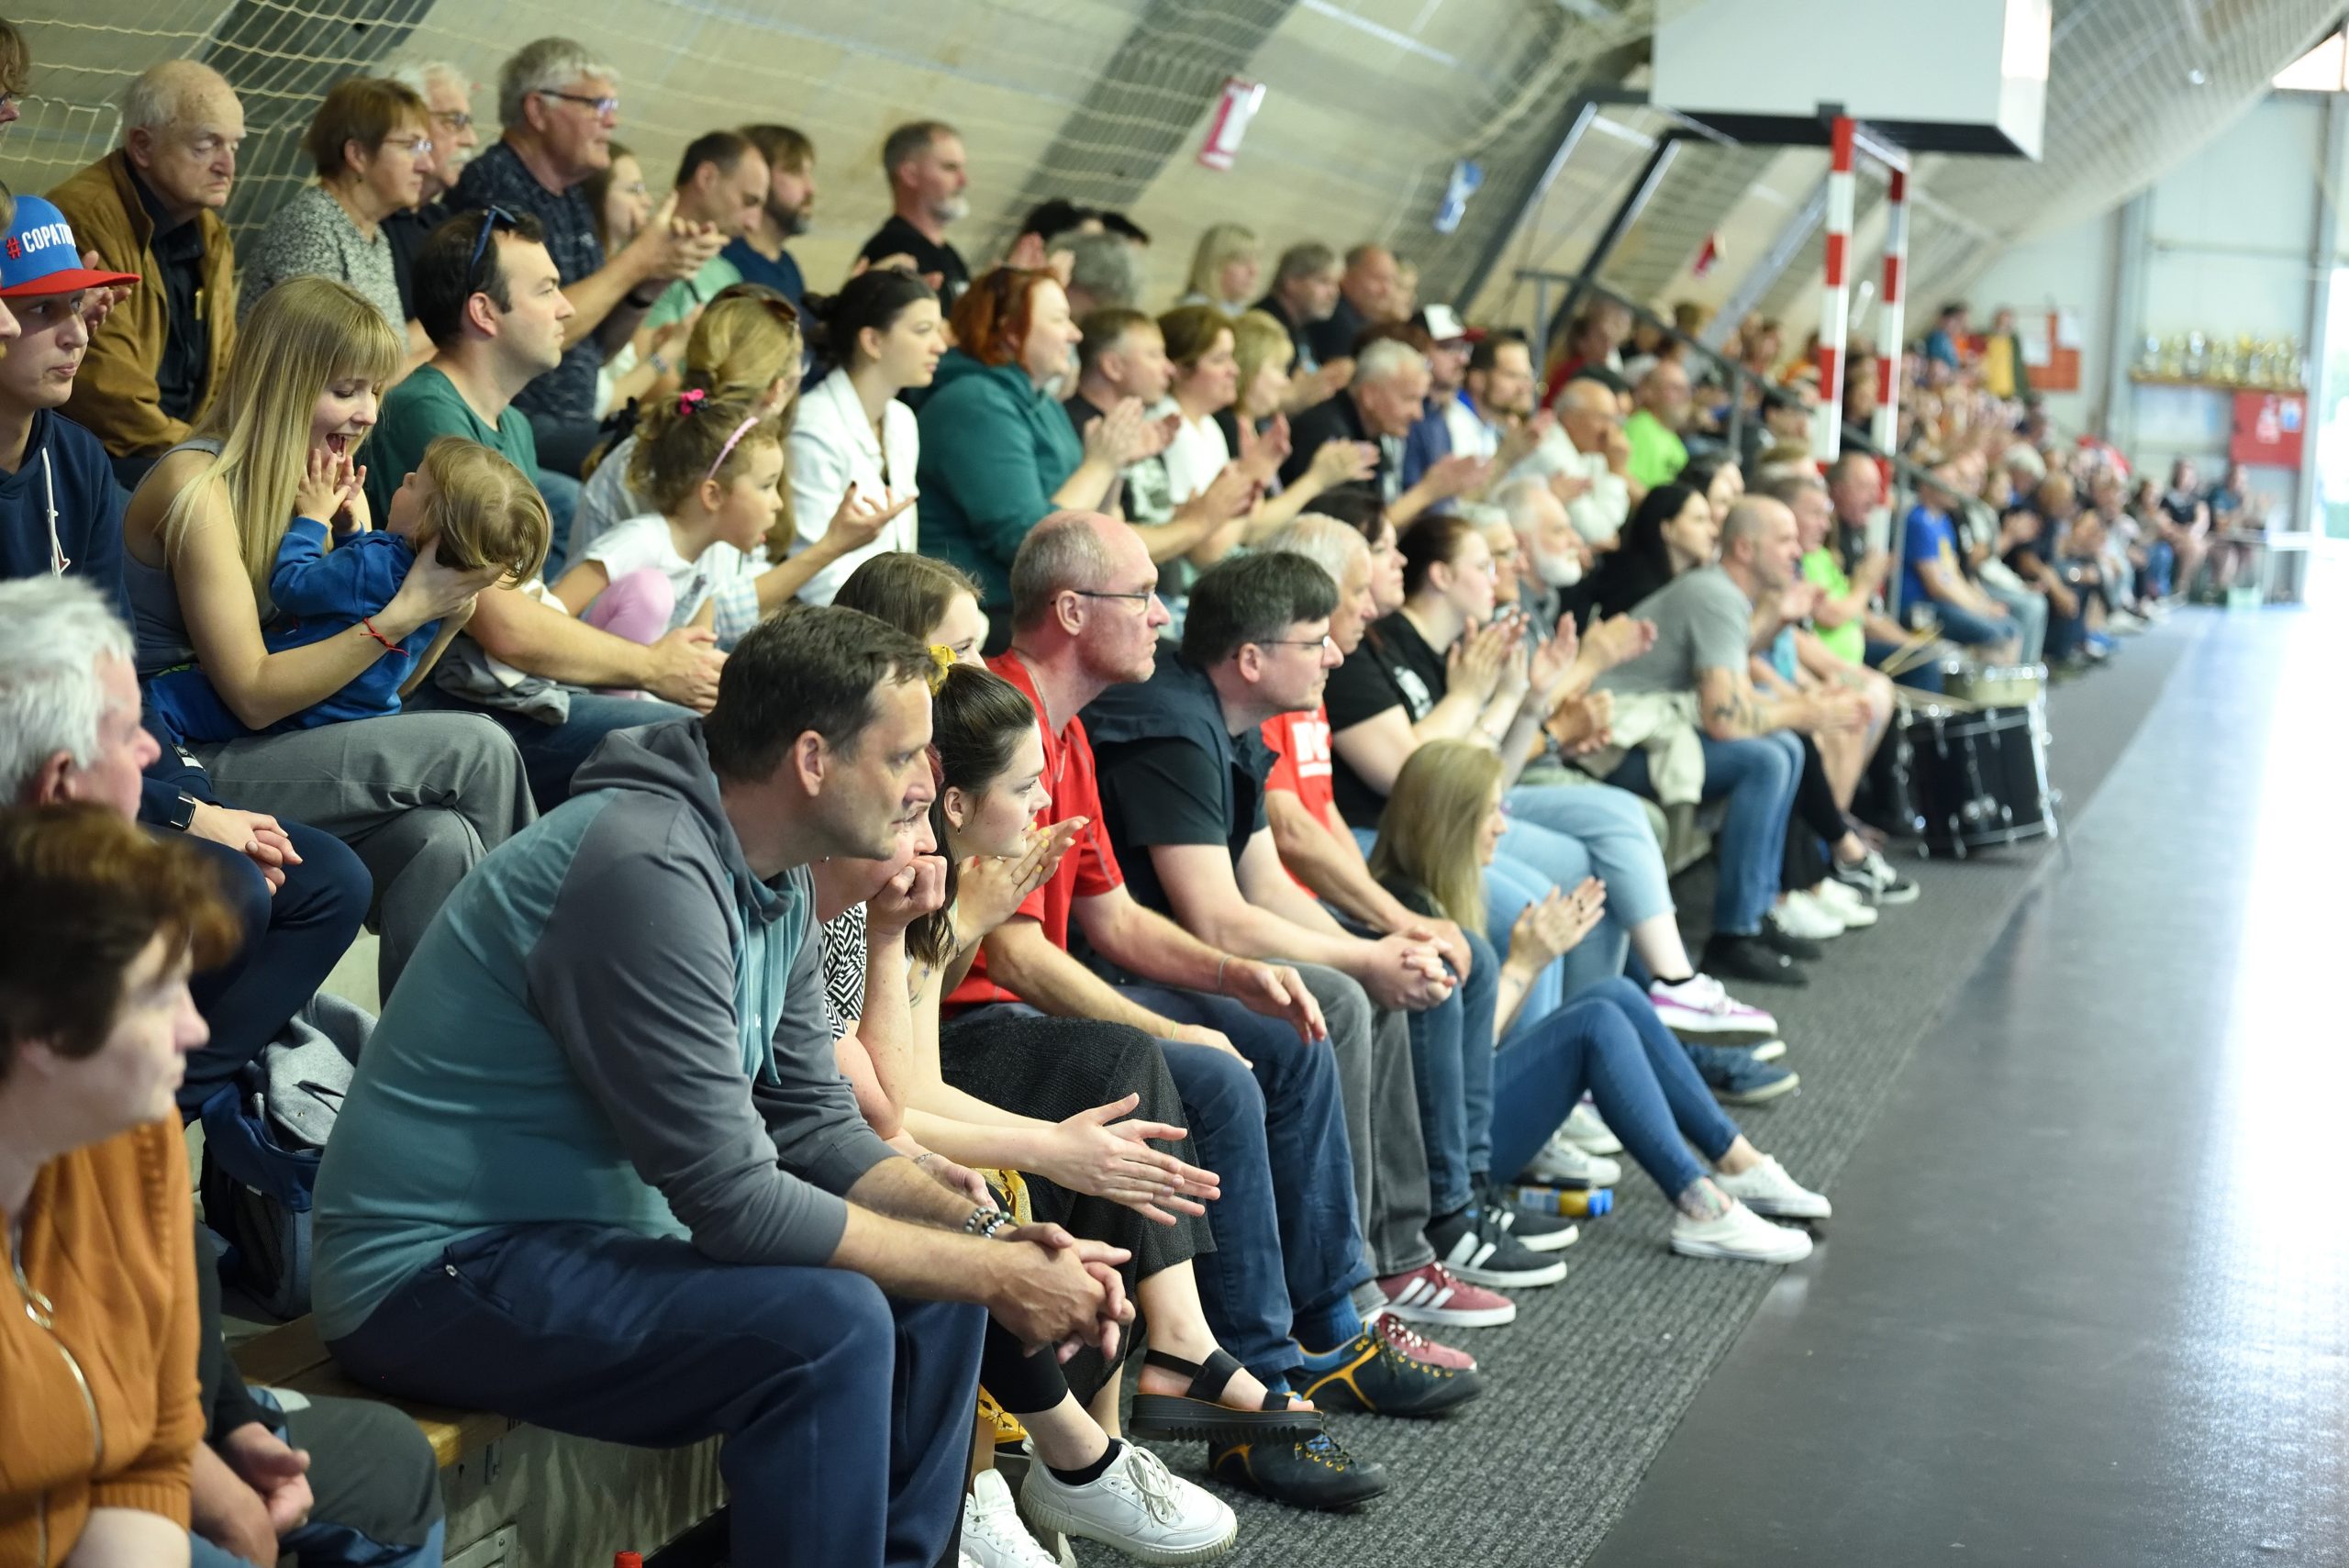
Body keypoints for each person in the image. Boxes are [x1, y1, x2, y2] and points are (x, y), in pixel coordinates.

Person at [314, 608, 1130, 1568]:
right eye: (904, 754)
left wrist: (988, 1234)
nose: (925, 782)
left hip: (571, 1245)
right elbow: (735, 1201)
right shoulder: (646, 866)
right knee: (832, 1329)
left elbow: (815, 1126)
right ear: (812, 759)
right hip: (433, 1272)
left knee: (935, 1283)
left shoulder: (772, 876)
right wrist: (992, 1272)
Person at [871, 525, 1480, 1505]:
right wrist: (1177, 1023)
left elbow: (1111, 913)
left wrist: (1234, 978)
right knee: (1195, 1067)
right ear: (1073, 612)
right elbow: (1000, 958)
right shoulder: (991, 732)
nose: (1163, 613)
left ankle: (1339, 1312)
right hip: (974, 1014)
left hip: (980, 1004)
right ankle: (1247, 1370)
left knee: (1286, 1018)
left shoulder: (1060, 732)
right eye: (1142, 593)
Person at [1081, 551, 1550, 1333]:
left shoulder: (1229, 720)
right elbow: (1217, 918)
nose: (1335, 655)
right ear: (1252, 659)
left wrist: (1382, 944)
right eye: (1315, 640)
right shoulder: (1176, 724)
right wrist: (1363, 957)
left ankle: (1398, 1251)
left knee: (1372, 975)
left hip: (1179, 948)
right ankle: (1341, 1291)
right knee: (1338, 993)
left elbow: (1267, 885)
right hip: (1124, 964)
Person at [121, 274, 533, 1003]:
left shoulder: (326, 486)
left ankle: (429, 1059)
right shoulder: (199, 485)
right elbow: (251, 694)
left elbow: (375, 683)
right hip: (182, 753)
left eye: (374, 390)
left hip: (279, 737)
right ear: (284, 384)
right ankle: (527, 1000)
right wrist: (399, 614)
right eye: (346, 390)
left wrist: (443, 617)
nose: (368, 412)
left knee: (440, 841)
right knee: (479, 747)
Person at [1371, 742, 1828, 1260]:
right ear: (1449, 825)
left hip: (1460, 1122)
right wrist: (1523, 967)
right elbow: (1446, 1073)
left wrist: (1528, 964)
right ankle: (1701, 1204)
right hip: (1438, 1156)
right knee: (1595, 1023)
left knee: (1616, 994)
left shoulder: (1443, 898)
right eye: (1490, 813)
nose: (1502, 827)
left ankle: (1738, 1161)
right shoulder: (1412, 922)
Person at [364, 208, 724, 809]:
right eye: (547, 289)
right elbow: (502, 624)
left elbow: (522, 602)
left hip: (501, 687)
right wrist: (650, 667)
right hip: (438, 696)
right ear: (484, 312)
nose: (566, 309)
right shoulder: (427, 411)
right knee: (689, 743)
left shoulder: (514, 426)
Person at [0, 801, 235, 1568]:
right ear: (43, 1028)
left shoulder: (136, 1136)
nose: (196, 1028)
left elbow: (154, 1447)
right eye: (161, 996)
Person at [1598, 497, 1868, 984]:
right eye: (1784, 540)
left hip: (1651, 732)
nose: (1797, 552)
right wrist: (1806, 711)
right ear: (1744, 548)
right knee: (1765, 759)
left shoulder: (1725, 594)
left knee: (1785, 748)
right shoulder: (1715, 596)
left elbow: (1734, 695)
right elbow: (1724, 719)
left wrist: (1801, 707)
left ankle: (1758, 910)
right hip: (1609, 748)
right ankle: (1733, 935)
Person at [148, 436, 549, 742]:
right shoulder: (441, 592)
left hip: (293, 713)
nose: (405, 479)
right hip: (349, 721)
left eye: (415, 484)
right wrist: (349, 532)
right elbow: (359, 602)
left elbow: (292, 585)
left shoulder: (374, 563)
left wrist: (312, 520)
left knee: (159, 699)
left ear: (426, 524)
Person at [447, 37, 724, 477]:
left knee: (704, 448)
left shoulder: (573, 197)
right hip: (513, 421)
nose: (612, 121)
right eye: (597, 105)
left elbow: (597, 348)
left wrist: (652, 280)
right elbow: (530, 329)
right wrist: (639, 259)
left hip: (571, 423)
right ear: (538, 110)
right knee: (674, 462)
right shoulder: (495, 185)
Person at [554, 388, 907, 644]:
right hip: (578, 694)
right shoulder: (640, 541)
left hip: (643, 699)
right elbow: (551, 613)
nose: (778, 504)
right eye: (766, 486)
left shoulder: (708, 558)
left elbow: (699, 649)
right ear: (713, 495)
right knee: (651, 592)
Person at [917, 267, 1152, 622]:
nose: (1075, 334)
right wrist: (1098, 465)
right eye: (1059, 320)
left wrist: (1113, 465)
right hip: (979, 615)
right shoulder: (976, 403)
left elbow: (1093, 528)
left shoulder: (1042, 403)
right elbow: (1029, 546)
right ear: (1011, 332)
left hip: (1037, 605)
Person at [50, 60, 242, 486]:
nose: (227, 166)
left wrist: (219, 447)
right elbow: (107, 394)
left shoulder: (211, 232)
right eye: (206, 145)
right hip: (103, 456)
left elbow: (225, 366)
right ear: (141, 145)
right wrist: (205, 455)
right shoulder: (84, 218)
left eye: (234, 146)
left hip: (181, 448)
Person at [570, 283, 805, 562]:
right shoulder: (693, 458)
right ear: (777, 390)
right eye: (794, 379)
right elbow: (716, 588)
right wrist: (828, 549)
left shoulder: (716, 447)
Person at [237, 77, 432, 350]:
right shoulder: (309, 227)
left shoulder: (374, 236)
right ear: (358, 154)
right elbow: (331, 363)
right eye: (411, 146)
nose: (427, 165)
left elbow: (390, 355)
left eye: (426, 147)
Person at [787, 267, 940, 603]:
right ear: (872, 341)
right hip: (836, 620)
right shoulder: (813, 427)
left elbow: (904, 550)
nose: (939, 345)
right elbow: (816, 580)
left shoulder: (901, 419)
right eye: (923, 330)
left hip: (892, 612)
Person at [1282, 339, 1480, 526]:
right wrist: (1428, 491)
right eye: (1410, 399)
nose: (1418, 414)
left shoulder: (1375, 433)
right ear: (1370, 395)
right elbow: (1355, 532)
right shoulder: (1327, 433)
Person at [637, 130, 773, 335]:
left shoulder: (727, 275)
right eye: (749, 201)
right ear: (707, 178)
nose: (753, 224)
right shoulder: (636, 254)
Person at [382, 60, 478, 322]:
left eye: (467, 122)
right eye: (455, 121)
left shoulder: (443, 221)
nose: (471, 139)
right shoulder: (368, 222)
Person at [1896, 465, 2021, 659]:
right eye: (1950, 482)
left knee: (2010, 627)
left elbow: (1954, 575)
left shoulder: (1943, 522)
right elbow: (1937, 586)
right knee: (1994, 633)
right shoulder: (1918, 521)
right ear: (1927, 486)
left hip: (1941, 603)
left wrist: (1983, 604)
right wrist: (1980, 610)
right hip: (1921, 607)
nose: (1956, 488)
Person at [859, 120, 970, 302]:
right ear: (910, 175)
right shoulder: (892, 251)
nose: (963, 181)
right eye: (949, 168)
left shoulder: (949, 254)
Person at [725, 123, 815, 307]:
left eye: (809, 173)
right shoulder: (727, 261)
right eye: (795, 172)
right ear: (759, 177)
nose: (811, 188)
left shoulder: (788, 265)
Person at [1251, 241, 1345, 389]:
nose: (1334, 293)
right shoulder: (1262, 325)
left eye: (1336, 284)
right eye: (1324, 282)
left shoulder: (1301, 328)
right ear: (1291, 282)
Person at [1304, 243, 1399, 368]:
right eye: (1378, 279)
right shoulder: (1334, 316)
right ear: (1347, 275)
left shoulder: (1360, 317)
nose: (1387, 290)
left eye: (1392, 281)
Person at [1621, 361, 1693, 491]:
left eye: (1687, 389)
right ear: (1650, 392)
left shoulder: (1677, 445)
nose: (1685, 396)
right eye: (1675, 388)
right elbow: (1625, 482)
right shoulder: (1639, 429)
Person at [1181, 222, 1259, 315]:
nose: (1254, 270)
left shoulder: (1234, 310)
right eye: (1243, 260)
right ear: (1214, 264)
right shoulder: (1196, 313)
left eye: (1256, 260)